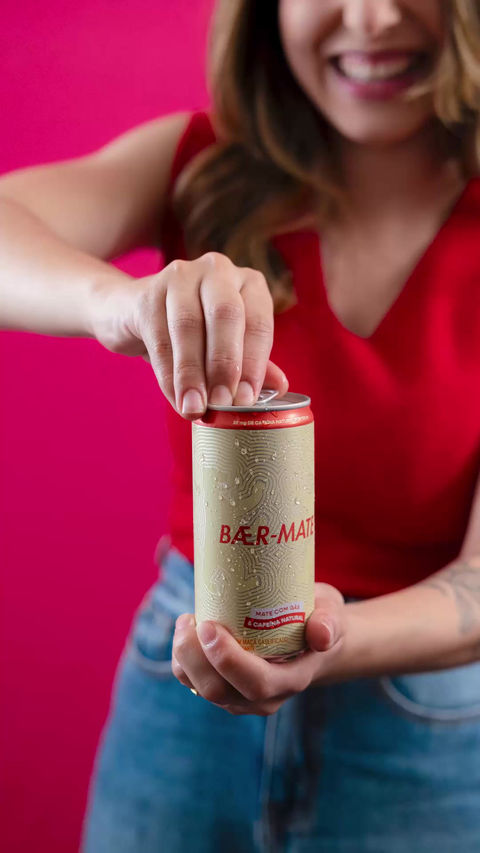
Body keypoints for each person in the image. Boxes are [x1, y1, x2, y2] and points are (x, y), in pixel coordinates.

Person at [2, 0, 480, 850]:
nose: (372, 19)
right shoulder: (200, 162)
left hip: (425, 717)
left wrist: (317, 643)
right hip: (182, 680)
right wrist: (116, 303)